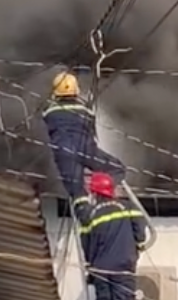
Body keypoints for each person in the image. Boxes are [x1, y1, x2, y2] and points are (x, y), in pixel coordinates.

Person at [77, 171, 148, 300]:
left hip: (100, 270)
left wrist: (91, 265)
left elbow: (87, 246)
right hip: (123, 269)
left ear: (95, 193)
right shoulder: (127, 208)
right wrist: (137, 245)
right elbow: (140, 230)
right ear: (112, 191)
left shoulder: (91, 215)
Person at [41, 70, 126, 202]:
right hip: (86, 150)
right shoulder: (86, 111)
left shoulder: (49, 112)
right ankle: (102, 191)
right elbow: (92, 133)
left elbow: (46, 130)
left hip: (64, 153)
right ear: (77, 91)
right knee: (117, 169)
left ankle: (86, 210)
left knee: (77, 195)